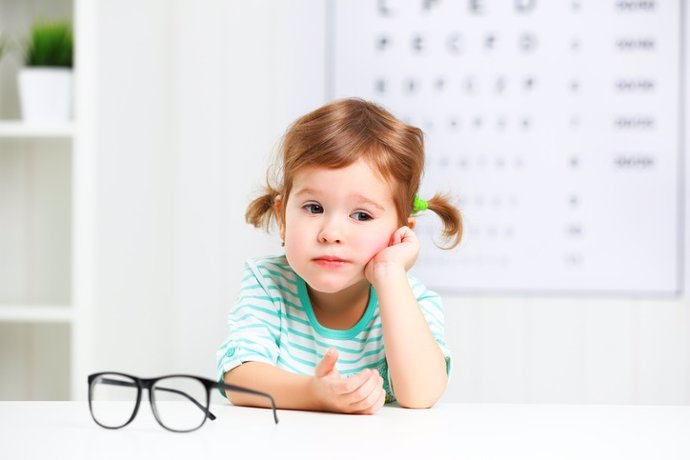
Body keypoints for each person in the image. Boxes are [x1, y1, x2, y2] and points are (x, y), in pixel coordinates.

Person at [216, 98, 462, 414]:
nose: (332, 232)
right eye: (314, 208)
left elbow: (420, 395)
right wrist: (314, 393)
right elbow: (238, 377)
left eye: (361, 215)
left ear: (400, 231)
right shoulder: (269, 283)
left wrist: (389, 274)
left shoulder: (409, 300)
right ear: (282, 219)